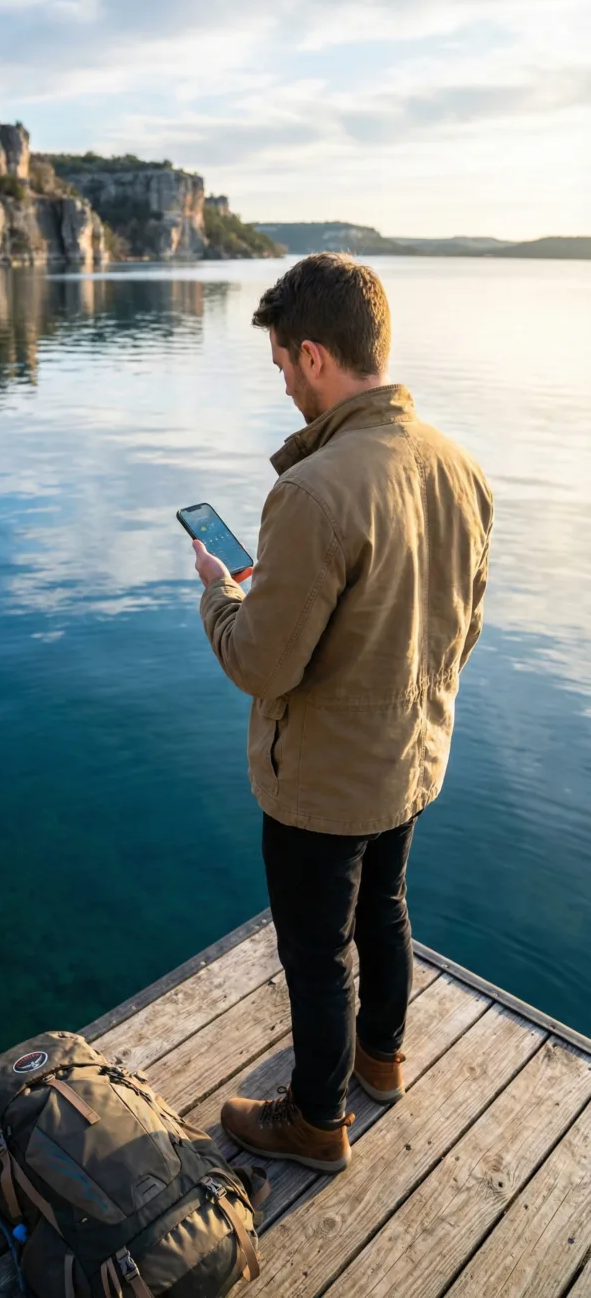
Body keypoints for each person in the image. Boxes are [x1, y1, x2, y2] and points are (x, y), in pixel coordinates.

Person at [191, 253, 493, 1174]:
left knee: (318, 955)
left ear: (315, 354)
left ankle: (317, 1120)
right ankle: (381, 1061)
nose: (283, 384)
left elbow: (260, 661)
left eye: (283, 365)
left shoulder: (312, 492)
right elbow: (464, 624)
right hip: (411, 757)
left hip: (320, 783)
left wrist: (220, 593)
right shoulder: (458, 464)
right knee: (388, 908)